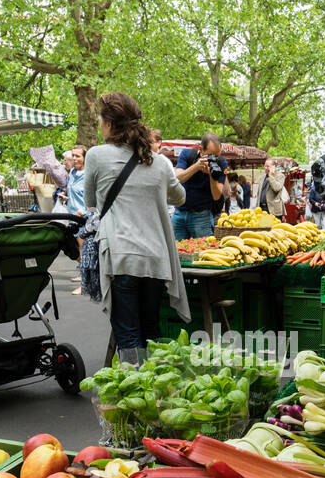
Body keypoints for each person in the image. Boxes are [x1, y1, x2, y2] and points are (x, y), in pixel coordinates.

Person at [84, 91, 188, 364]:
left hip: (121, 257)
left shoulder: (96, 155)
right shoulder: (160, 162)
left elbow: (91, 203)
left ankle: (136, 396)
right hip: (155, 259)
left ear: (108, 124)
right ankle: (156, 392)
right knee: (151, 330)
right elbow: (180, 197)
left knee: (129, 336)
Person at [172, 132, 227, 240]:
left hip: (202, 217)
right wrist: (196, 167)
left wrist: (211, 175)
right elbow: (177, 178)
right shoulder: (187, 155)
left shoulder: (221, 163)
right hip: (179, 213)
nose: (214, 159)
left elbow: (216, 196)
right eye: (210, 156)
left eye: (217, 156)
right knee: (176, 251)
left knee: (205, 253)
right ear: (201, 150)